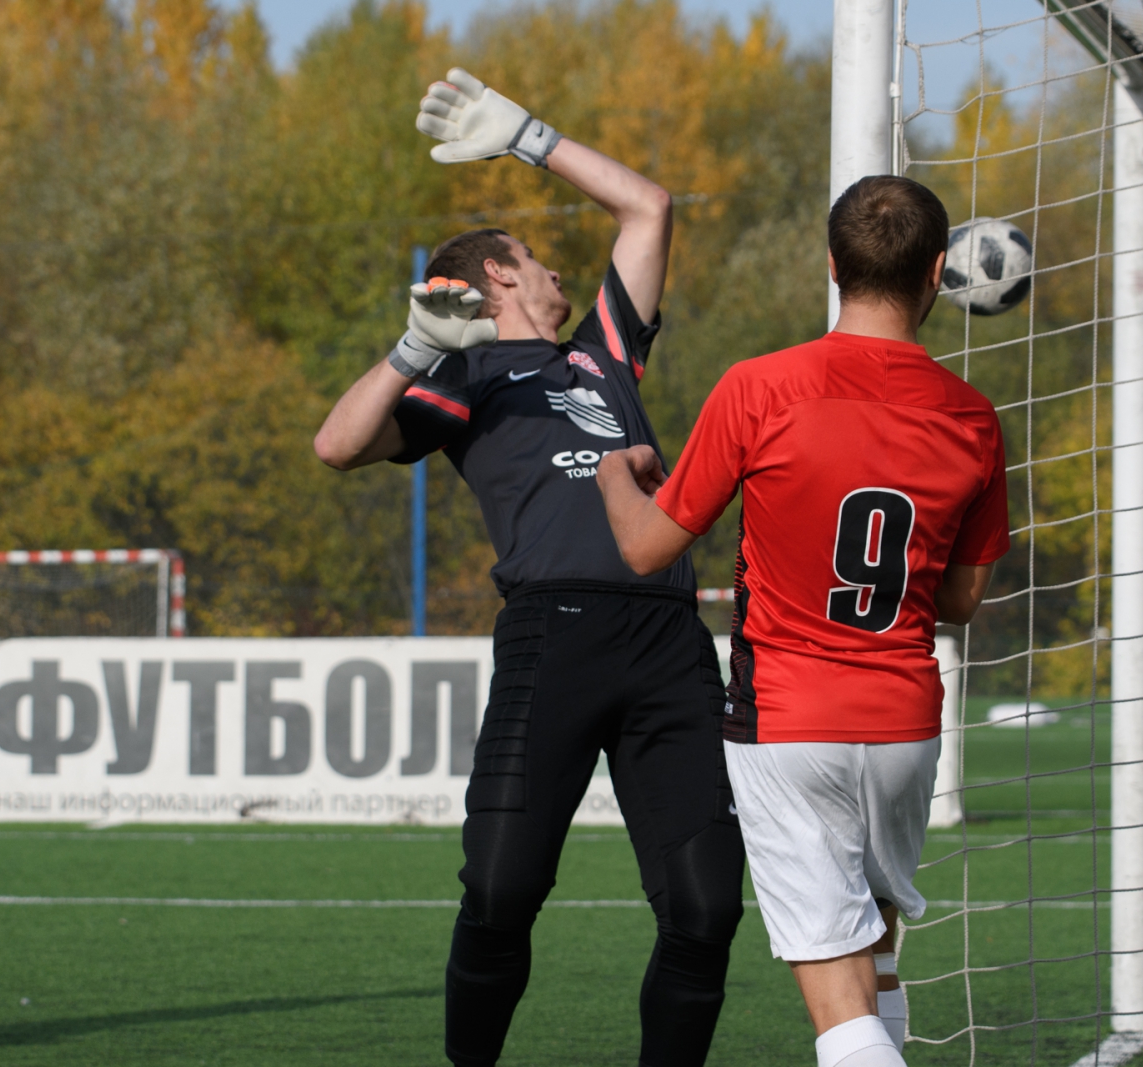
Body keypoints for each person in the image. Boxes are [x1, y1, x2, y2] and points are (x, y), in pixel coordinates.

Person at [313, 69, 744, 1067]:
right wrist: (415, 345)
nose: (558, 272)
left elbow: (649, 205)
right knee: (501, 891)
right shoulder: (463, 378)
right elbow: (338, 445)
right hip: (553, 640)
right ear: (499, 276)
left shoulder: (602, 353)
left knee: (705, 904)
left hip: (667, 639)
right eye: (539, 259)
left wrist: (526, 136)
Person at [598, 175, 1010, 1067]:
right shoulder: (975, 419)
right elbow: (961, 602)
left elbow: (645, 548)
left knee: (840, 1012)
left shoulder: (759, 387)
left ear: (832, 265)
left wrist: (610, 479)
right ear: (938, 272)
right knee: (875, 963)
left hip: (789, 721)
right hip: (904, 723)